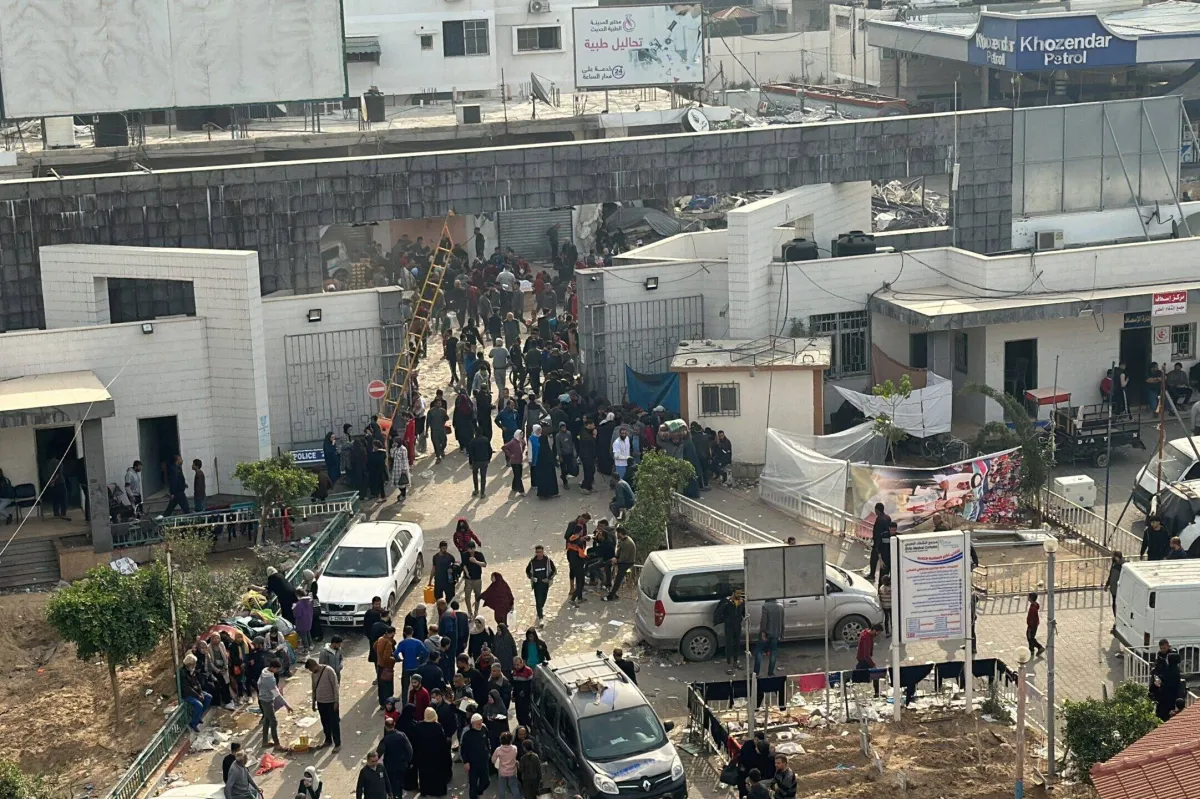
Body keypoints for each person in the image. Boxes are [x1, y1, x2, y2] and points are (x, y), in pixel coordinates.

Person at [412, 706, 453, 797]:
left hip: (423, 756)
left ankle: (425, 790)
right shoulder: (437, 727)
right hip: (436, 756)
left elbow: (416, 742)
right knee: (437, 774)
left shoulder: (419, 726)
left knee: (424, 775)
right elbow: (442, 742)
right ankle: (438, 791)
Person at [306, 657, 341, 751]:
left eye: (311, 669)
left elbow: (335, 686)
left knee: (334, 723)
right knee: (325, 722)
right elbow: (314, 688)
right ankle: (328, 740)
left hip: (331, 702)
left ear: (314, 666)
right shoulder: (313, 674)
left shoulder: (329, 670)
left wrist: (336, 701)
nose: (311, 671)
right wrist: (313, 702)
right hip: (321, 702)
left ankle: (337, 744)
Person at [377, 716, 413, 796]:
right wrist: (408, 761)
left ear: (385, 727)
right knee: (400, 785)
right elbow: (409, 750)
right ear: (394, 724)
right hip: (401, 765)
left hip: (390, 766)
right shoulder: (402, 735)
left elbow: (378, 753)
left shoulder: (385, 739)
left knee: (392, 786)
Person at [461, 713, 492, 799]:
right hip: (472, 763)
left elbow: (487, 741)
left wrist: (488, 751)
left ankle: (479, 791)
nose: (480, 725)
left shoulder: (484, 728)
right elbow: (463, 749)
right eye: (478, 723)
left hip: (483, 761)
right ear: (473, 723)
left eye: (481, 723)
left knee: (486, 781)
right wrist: (466, 762)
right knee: (473, 785)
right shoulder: (467, 733)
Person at [179, 653, 212, 731]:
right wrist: (198, 696)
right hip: (187, 694)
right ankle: (193, 723)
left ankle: (198, 716)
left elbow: (197, 682)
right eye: (194, 664)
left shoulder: (192, 670)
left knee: (208, 697)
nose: (195, 665)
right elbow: (187, 688)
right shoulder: (182, 673)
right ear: (189, 664)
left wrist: (200, 693)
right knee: (199, 704)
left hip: (196, 691)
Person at [715, 589, 746, 672]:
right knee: (729, 644)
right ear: (733, 593)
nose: (739, 595)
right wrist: (725, 619)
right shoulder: (726, 601)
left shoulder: (742, 602)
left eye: (740, 593)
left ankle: (735, 662)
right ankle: (729, 663)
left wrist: (744, 618)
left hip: (737, 625)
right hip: (729, 626)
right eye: (737, 593)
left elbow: (744, 613)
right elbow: (718, 612)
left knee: (737, 644)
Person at [258, 659, 286, 750]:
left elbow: (258, 683)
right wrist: (287, 705)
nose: (277, 671)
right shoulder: (270, 679)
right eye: (277, 669)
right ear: (273, 668)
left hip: (262, 698)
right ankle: (277, 744)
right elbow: (277, 694)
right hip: (267, 700)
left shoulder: (264, 671)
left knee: (267, 720)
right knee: (273, 722)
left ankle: (264, 741)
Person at [525, 545, 557, 625]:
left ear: (543, 552)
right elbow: (527, 571)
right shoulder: (532, 562)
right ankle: (540, 616)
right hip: (537, 585)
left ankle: (540, 609)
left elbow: (554, 571)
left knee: (543, 599)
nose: (539, 554)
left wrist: (549, 578)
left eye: (540, 552)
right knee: (538, 601)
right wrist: (531, 577)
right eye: (537, 552)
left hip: (545, 584)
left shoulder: (548, 561)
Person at [605, 526, 637, 601]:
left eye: (617, 533)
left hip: (626, 563)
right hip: (621, 560)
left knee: (618, 579)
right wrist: (615, 557)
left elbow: (625, 557)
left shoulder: (628, 543)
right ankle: (608, 584)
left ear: (620, 533)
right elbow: (619, 550)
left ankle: (611, 596)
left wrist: (617, 561)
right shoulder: (622, 540)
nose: (616, 535)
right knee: (607, 564)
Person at [754, 598, 783, 676]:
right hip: (776, 633)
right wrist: (781, 634)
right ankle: (770, 673)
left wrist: (763, 632)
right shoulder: (781, 606)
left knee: (759, 651)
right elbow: (782, 621)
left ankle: (756, 673)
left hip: (766, 633)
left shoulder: (765, 606)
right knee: (773, 652)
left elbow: (764, 620)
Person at [529, 424, 559, 499]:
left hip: (541, 466)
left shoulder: (541, 450)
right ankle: (551, 492)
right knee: (550, 479)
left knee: (542, 479)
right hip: (548, 466)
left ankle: (543, 494)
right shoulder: (533, 439)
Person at [566, 520, 588, 605]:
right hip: (578, 564)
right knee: (580, 582)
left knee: (578, 581)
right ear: (581, 531)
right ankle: (573, 599)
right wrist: (587, 557)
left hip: (572, 563)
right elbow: (581, 554)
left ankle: (580, 598)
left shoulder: (571, 540)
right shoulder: (578, 542)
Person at [493, 730, 521, 799]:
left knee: (502, 788)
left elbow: (493, 759)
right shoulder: (514, 748)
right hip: (512, 771)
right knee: (514, 787)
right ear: (511, 740)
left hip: (502, 772)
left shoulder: (498, 749)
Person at [468, 426, 493, 498]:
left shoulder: (472, 441)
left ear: (475, 433)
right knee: (483, 477)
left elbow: (471, 453)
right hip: (484, 461)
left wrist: (470, 463)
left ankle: (476, 490)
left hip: (475, 462)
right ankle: (482, 493)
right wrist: (489, 459)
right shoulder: (486, 440)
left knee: (475, 475)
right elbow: (490, 451)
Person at [463, 542, 487, 617]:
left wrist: (475, 561)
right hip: (468, 579)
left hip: (477, 579)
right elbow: (464, 565)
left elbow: (484, 564)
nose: (469, 551)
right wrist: (466, 572)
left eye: (471, 549)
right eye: (468, 549)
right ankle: (470, 612)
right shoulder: (465, 555)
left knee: (478, 596)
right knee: (467, 596)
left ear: (474, 548)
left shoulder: (479, 555)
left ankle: (476, 611)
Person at [376, 626, 398, 709]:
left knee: (381, 686)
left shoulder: (380, 639)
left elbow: (375, 647)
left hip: (379, 665)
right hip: (386, 667)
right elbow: (387, 657)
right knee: (388, 686)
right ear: (392, 633)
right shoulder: (388, 643)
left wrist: (379, 656)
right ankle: (389, 702)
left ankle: (382, 703)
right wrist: (394, 659)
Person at [868, 502, 890, 581]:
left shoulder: (879, 520)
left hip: (879, 544)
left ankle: (872, 575)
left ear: (877, 510)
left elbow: (877, 533)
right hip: (886, 545)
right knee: (885, 561)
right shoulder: (888, 518)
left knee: (873, 560)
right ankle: (884, 577)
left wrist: (876, 546)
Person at [504, 429, 527, 496]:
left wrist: (522, 451)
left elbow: (524, 445)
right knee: (518, 476)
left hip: (520, 460)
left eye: (522, 434)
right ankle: (521, 490)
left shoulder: (521, 441)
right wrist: (510, 455)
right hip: (514, 462)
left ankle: (514, 487)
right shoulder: (513, 442)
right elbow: (504, 447)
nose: (522, 435)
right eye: (521, 434)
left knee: (518, 475)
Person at [1026, 592, 1046, 657]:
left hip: (1032, 626)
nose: (1027, 597)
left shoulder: (1033, 608)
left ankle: (1039, 647)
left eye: (1028, 596)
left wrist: (1029, 627)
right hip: (1034, 625)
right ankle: (1031, 650)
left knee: (1030, 638)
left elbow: (1032, 618)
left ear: (1031, 598)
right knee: (1030, 637)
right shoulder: (1034, 605)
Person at [1107, 551, 1124, 620]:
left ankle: (1118, 618)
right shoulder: (1114, 564)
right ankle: (1116, 618)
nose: (1112, 557)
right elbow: (1111, 575)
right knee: (1114, 604)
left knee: (1117, 605)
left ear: (1116, 557)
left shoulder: (1123, 566)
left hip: (1119, 590)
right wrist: (1107, 584)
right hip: (1114, 589)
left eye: (1113, 556)